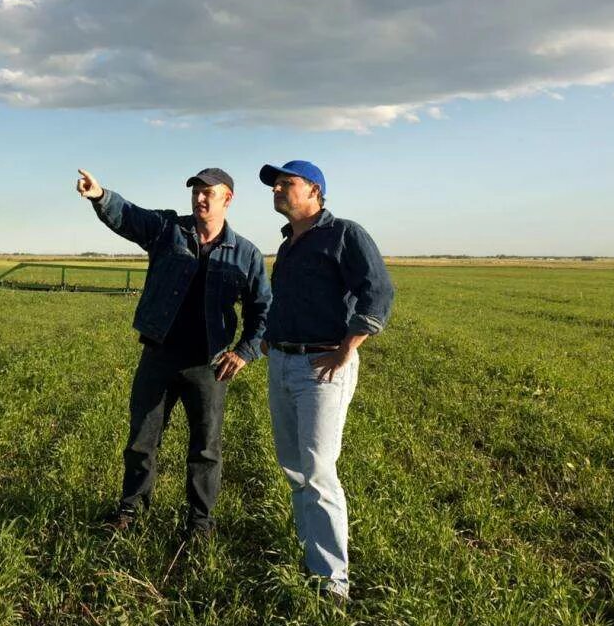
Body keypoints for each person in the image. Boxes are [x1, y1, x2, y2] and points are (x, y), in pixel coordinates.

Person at [76, 166, 271, 539]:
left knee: (206, 448)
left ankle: (200, 522)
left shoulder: (245, 254)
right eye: (195, 192)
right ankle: (131, 509)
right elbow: (131, 218)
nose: (199, 198)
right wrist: (101, 196)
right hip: (160, 356)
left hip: (209, 365)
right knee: (141, 441)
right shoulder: (169, 231)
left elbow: (263, 310)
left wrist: (245, 352)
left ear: (227, 199)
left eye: (207, 193)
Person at [258, 160, 394, 602]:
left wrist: (348, 346)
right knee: (294, 466)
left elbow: (378, 291)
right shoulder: (290, 243)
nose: (277, 189)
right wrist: (270, 339)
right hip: (282, 361)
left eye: (286, 183)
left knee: (318, 471)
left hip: (323, 366)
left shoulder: (344, 233)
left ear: (314, 190)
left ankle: (332, 582)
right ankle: (310, 555)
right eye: (275, 184)